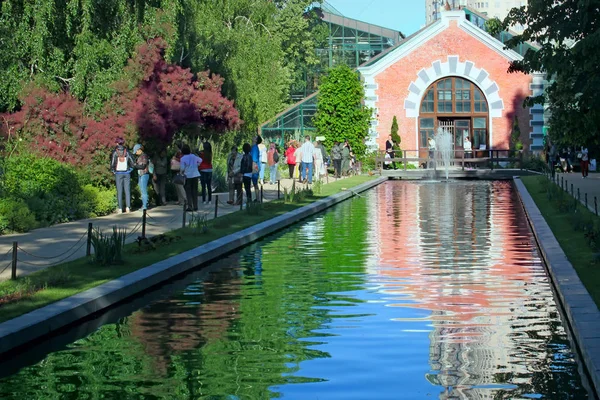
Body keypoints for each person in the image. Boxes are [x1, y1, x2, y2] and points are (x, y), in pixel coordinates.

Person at [110, 138, 134, 213]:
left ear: (117, 143)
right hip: (127, 173)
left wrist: (114, 171)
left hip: (118, 174)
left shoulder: (115, 152)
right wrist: (129, 170)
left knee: (119, 191)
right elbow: (132, 163)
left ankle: (120, 208)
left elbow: (112, 163)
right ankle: (128, 207)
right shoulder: (127, 152)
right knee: (127, 190)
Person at [180, 144, 202, 211]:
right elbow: (200, 160)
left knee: (188, 191)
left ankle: (190, 206)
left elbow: (182, 168)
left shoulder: (183, 158)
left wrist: (181, 173)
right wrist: (197, 165)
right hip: (195, 175)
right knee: (194, 191)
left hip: (188, 176)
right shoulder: (193, 156)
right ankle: (195, 206)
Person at [132, 144, 151, 211]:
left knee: (143, 190)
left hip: (144, 174)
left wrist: (135, 165)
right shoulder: (139, 156)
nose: (136, 153)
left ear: (139, 149)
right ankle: (144, 203)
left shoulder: (144, 156)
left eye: (136, 151)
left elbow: (143, 166)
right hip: (140, 175)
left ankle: (145, 205)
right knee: (141, 189)